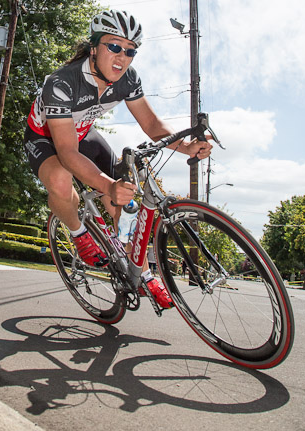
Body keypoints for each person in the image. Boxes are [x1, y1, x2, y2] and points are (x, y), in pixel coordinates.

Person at [23, 10, 213, 309]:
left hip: (83, 133)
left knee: (126, 200)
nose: (122, 57)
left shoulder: (128, 79)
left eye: (130, 51)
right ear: (95, 47)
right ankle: (78, 232)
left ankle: (142, 272)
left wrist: (186, 146)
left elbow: (151, 125)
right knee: (63, 180)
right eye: (114, 46)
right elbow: (67, 152)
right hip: (46, 139)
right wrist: (107, 185)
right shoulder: (61, 83)